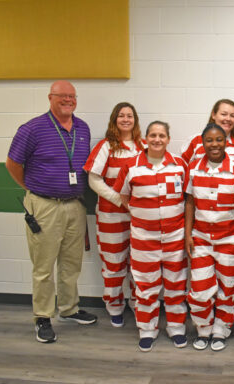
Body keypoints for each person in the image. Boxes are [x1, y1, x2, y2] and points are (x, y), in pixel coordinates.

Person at [5, 80, 97, 343]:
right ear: (50, 98)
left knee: (71, 263)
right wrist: (33, 188)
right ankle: (42, 316)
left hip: (74, 205)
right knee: (43, 266)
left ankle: (69, 309)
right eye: (62, 96)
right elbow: (12, 164)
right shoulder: (33, 128)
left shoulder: (82, 128)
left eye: (72, 96)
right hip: (44, 206)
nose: (68, 100)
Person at [114, 121, 189, 352]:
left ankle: (176, 328)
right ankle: (147, 329)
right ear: (145, 138)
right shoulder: (131, 166)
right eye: (153, 135)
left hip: (175, 238)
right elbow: (124, 196)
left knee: (176, 285)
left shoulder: (179, 165)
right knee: (146, 287)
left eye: (162, 135)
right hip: (143, 240)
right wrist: (141, 214)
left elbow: (188, 199)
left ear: (168, 139)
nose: (157, 139)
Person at [185, 123, 234, 352]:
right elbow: (190, 203)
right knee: (200, 289)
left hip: (231, 239)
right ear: (203, 143)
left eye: (219, 140)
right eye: (209, 140)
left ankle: (221, 330)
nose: (214, 145)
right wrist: (187, 235)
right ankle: (203, 329)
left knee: (228, 288)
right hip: (201, 239)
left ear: (226, 142)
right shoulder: (193, 168)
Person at [84, 102, 145, 327]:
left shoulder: (144, 145)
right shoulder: (106, 146)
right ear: (114, 119)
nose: (126, 119)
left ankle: (137, 303)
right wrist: (119, 199)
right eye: (121, 116)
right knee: (114, 263)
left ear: (135, 120)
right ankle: (114, 305)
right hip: (111, 215)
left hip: (139, 217)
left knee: (138, 263)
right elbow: (94, 179)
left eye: (130, 115)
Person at [180, 99, 234, 164]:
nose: (228, 119)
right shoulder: (195, 140)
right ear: (214, 115)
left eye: (232, 115)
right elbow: (182, 169)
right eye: (224, 114)